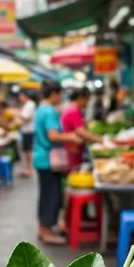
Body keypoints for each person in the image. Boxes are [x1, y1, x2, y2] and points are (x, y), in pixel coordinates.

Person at [34, 80, 81, 245]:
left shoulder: (41, 108)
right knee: (51, 196)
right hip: (48, 160)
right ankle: (46, 232)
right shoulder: (49, 111)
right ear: (54, 94)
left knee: (47, 194)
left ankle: (43, 228)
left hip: (42, 158)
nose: (60, 97)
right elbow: (53, 135)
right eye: (59, 94)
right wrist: (72, 137)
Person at [61, 88, 104, 170]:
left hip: (74, 147)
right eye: (87, 99)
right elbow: (80, 131)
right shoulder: (73, 110)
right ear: (80, 97)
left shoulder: (72, 108)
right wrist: (99, 140)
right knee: (74, 172)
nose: (87, 102)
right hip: (73, 148)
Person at [17, 90, 37, 178]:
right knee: (27, 150)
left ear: (26, 96)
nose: (20, 98)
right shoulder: (28, 104)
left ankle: (29, 169)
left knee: (28, 150)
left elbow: (27, 118)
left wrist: (18, 115)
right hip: (26, 130)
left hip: (28, 130)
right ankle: (28, 168)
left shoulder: (30, 104)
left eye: (21, 96)